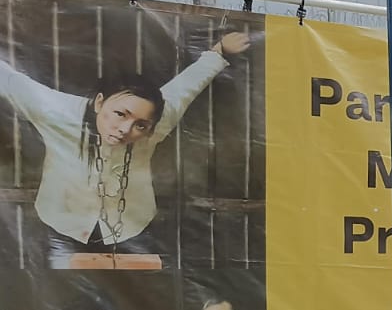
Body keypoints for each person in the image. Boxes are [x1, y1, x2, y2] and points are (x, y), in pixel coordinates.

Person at [0, 31, 250, 266]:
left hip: (131, 228)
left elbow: (187, 85)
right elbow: (12, 81)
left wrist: (220, 50)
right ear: (100, 102)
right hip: (63, 225)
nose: (124, 129)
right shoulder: (55, 111)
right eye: (120, 114)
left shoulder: (159, 118)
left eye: (140, 125)